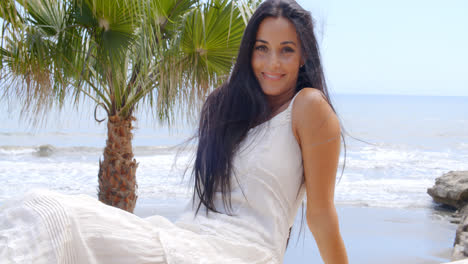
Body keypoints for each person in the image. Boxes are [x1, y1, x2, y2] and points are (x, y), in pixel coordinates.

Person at [0, 0, 348, 263]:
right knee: (38, 209)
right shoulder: (223, 106)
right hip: (185, 239)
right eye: (262, 49)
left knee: (55, 214)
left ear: (303, 56)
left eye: (286, 51)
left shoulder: (309, 107)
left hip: (240, 254)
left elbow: (319, 214)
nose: (272, 63)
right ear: (249, 53)